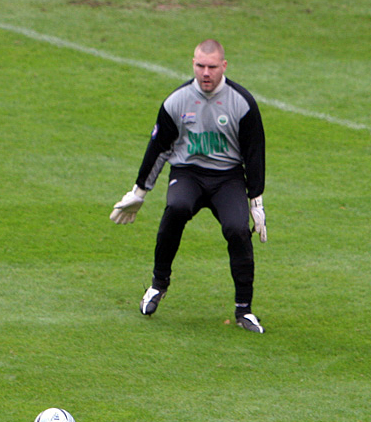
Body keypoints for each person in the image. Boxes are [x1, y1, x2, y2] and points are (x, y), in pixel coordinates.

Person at [110, 39, 268, 333]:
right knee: (177, 206)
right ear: (192, 64)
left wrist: (255, 202)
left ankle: (244, 310)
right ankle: (158, 285)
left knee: (237, 228)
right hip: (188, 173)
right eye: (200, 66)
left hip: (228, 177)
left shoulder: (242, 103)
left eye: (211, 67)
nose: (205, 73)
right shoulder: (177, 101)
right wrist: (139, 192)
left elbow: (254, 153)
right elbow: (158, 148)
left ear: (224, 66)